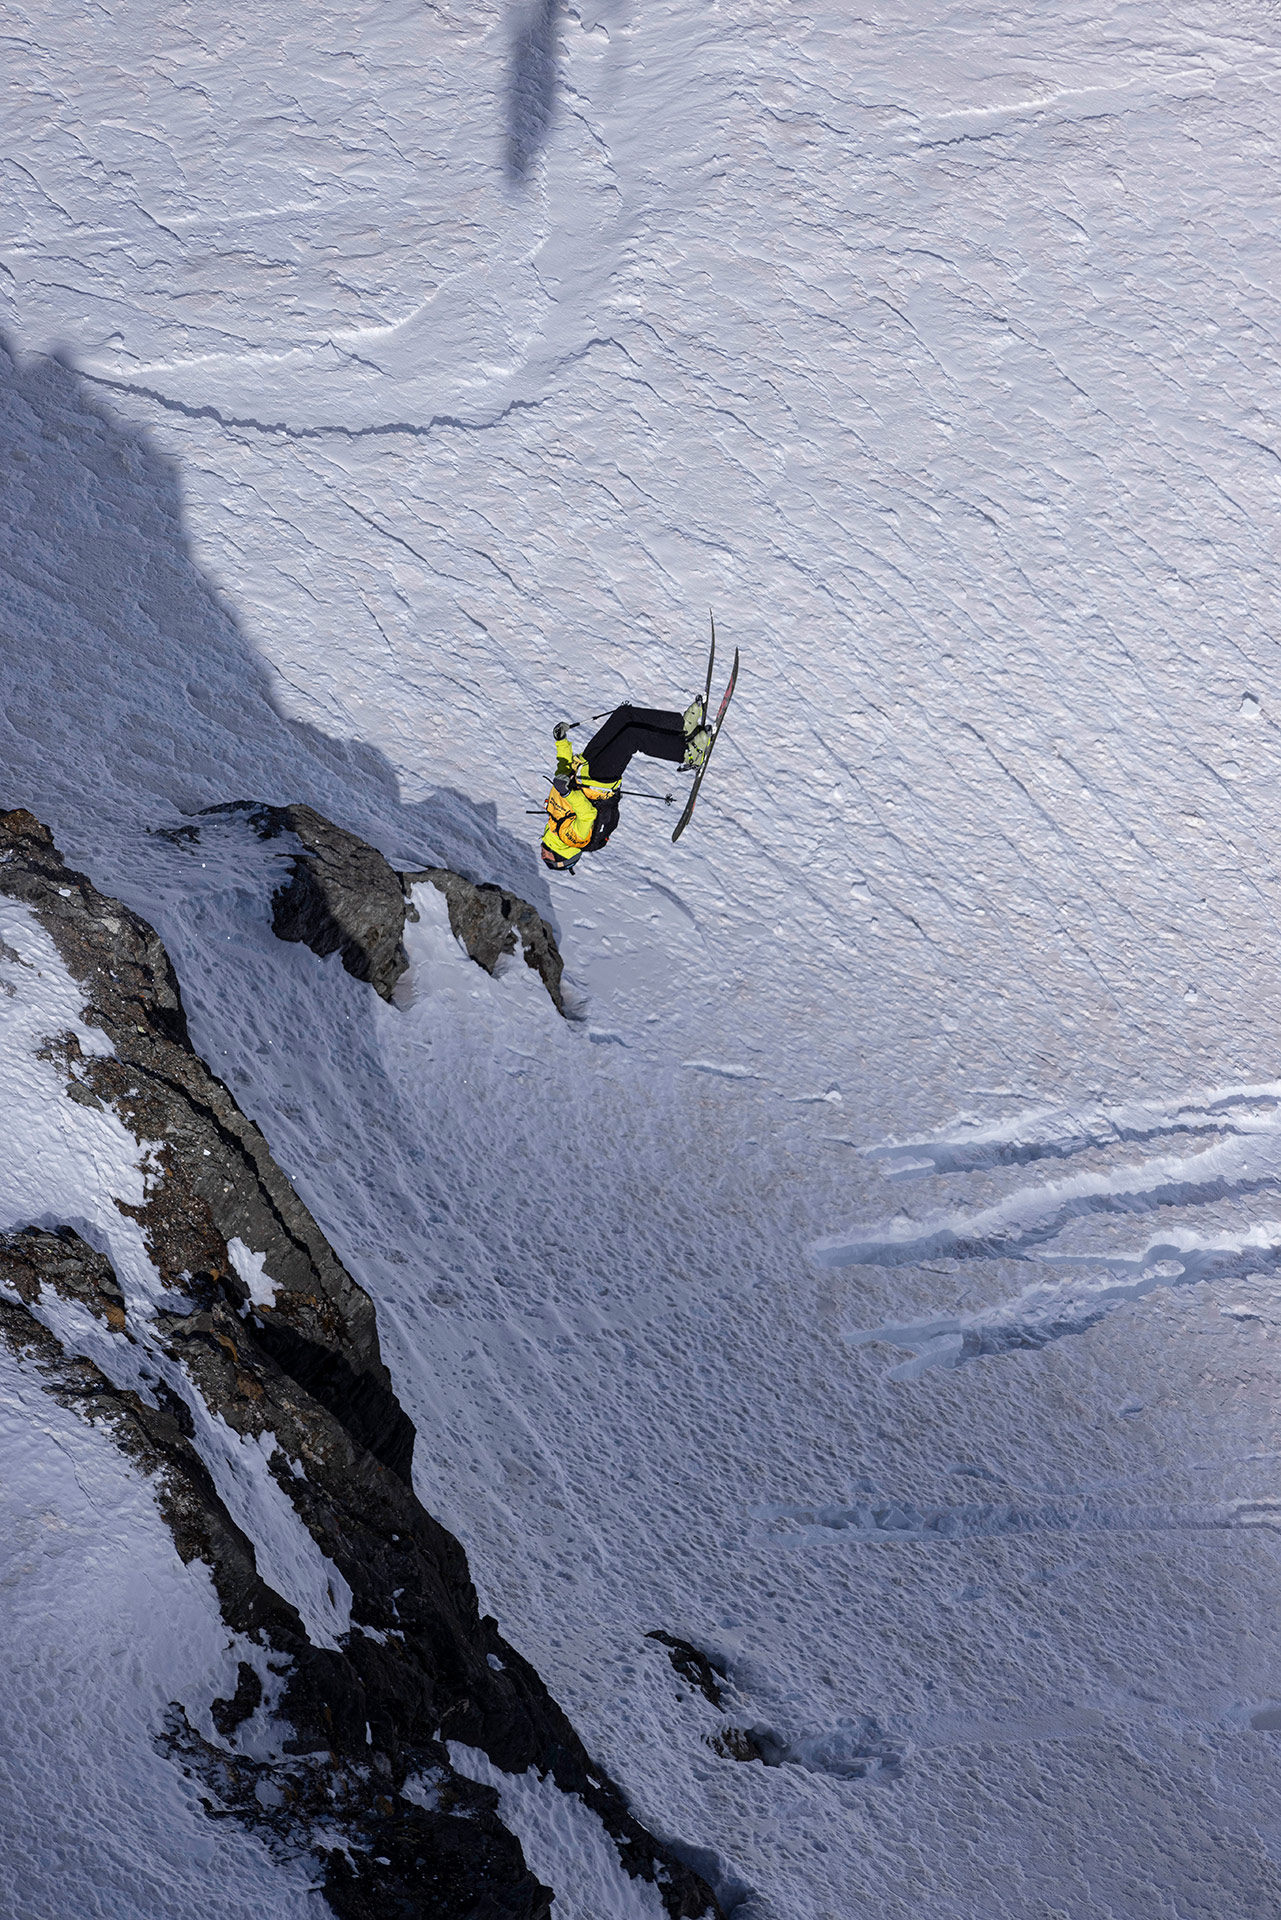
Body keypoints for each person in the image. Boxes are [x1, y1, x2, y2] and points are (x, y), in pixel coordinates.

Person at [540, 698, 712, 871]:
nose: (543, 856)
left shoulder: (553, 820)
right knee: (632, 737)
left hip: (584, 765)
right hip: (597, 782)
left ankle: (681, 727)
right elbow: (587, 814)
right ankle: (687, 755)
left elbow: (563, 771)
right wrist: (567, 794)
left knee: (623, 716)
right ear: (562, 857)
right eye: (549, 861)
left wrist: (561, 742)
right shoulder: (571, 839)